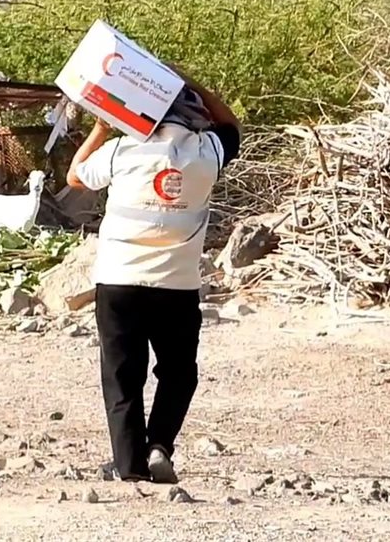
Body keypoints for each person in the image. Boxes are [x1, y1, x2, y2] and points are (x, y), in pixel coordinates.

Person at [65, 67, 241, 484]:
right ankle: (159, 444)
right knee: (179, 372)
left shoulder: (124, 152)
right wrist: (189, 81)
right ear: (195, 119)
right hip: (176, 287)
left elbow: (74, 176)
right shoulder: (206, 156)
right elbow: (230, 123)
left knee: (122, 376)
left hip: (119, 281)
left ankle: (130, 467)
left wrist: (102, 128)